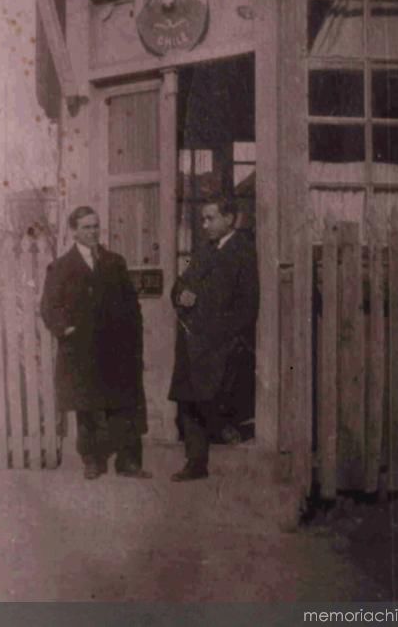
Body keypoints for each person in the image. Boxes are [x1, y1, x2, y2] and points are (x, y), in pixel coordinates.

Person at [40, 206, 151, 481]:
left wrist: (133, 336)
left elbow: (130, 303)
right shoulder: (62, 266)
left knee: (123, 404)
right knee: (86, 406)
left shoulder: (115, 262)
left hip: (115, 347)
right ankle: (92, 460)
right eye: (87, 227)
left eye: (95, 226)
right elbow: (49, 306)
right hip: (82, 348)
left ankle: (128, 463)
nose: (92, 232)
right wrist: (65, 329)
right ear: (74, 231)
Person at [169, 195, 259, 482]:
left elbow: (248, 306)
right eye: (203, 219)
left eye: (210, 218)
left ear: (229, 219)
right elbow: (181, 283)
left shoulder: (244, 252)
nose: (205, 224)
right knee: (188, 401)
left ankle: (222, 451)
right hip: (193, 340)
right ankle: (195, 463)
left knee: (213, 399)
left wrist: (221, 336)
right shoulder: (205, 251)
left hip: (221, 344)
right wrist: (180, 295)